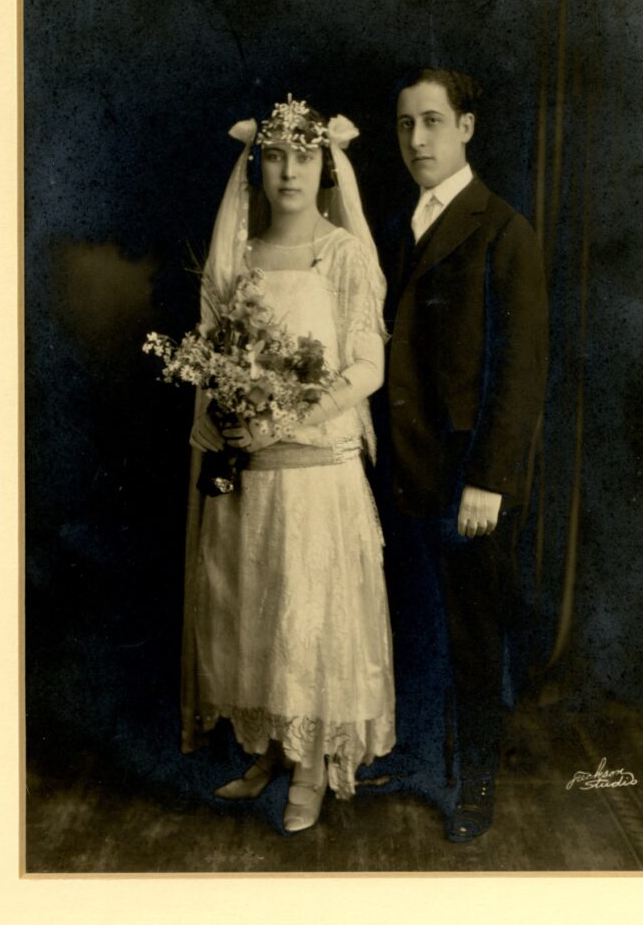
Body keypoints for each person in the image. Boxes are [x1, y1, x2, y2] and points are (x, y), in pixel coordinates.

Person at [180, 95, 395, 834]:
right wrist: (221, 413)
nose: (290, 171)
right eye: (275, 155)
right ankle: (271, 747)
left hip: (317, 471)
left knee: (309, 617)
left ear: (326, 164)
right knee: (254, 609)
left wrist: (295, 415)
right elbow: (214, 360)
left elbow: (368, 366)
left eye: (305, 155)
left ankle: (310, 767)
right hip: (252, 475)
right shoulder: (237, 261)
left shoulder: (344, 255)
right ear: (256, 166)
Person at [383, 68, 548, 842]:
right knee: (419, 622)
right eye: (407, 125)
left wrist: (489, 479)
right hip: (408, 466)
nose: (419, 139)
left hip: (467, 477)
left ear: (467, 128)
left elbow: (520, 371)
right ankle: (419, 759)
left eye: (434, 122)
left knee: (475, 634)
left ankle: (475, 786)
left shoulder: (503, 229)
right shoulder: (401, 225)